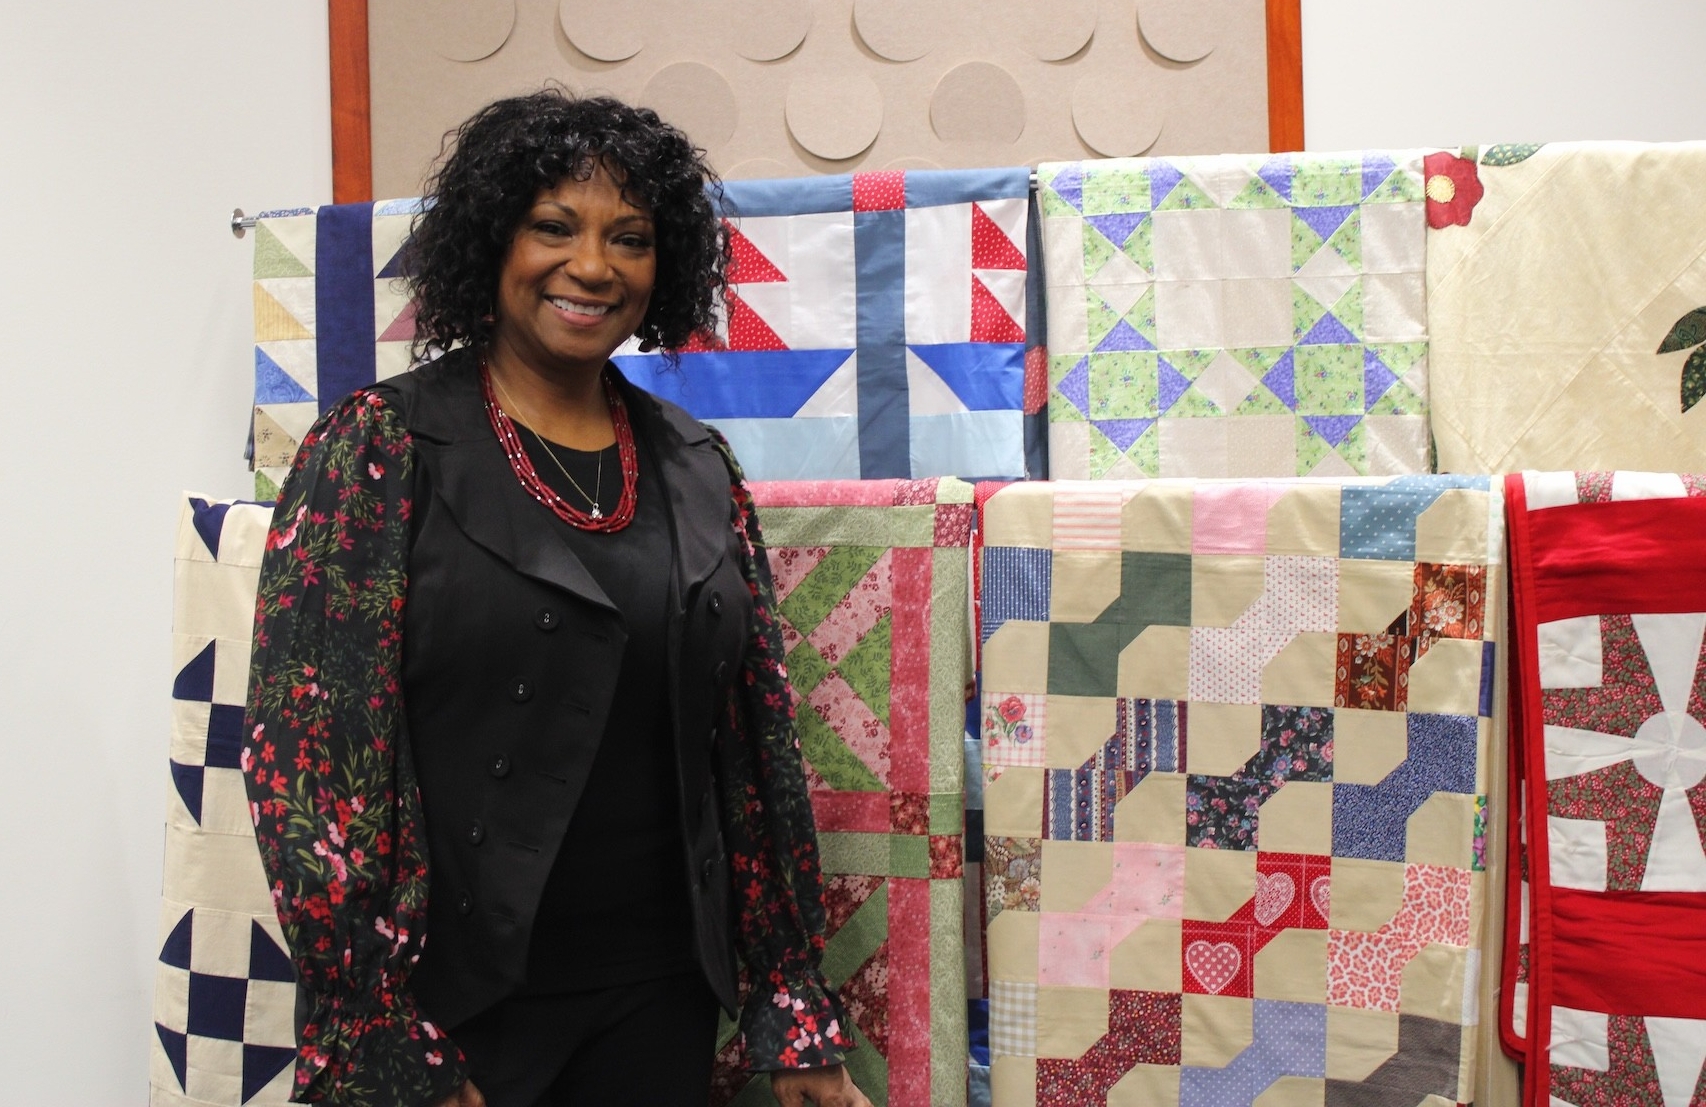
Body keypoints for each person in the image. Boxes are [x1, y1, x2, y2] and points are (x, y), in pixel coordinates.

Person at [242, 89, 872, 1107]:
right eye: (553, 227)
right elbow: (305, 766)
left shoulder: (695, 464)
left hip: (660, 1004)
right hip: (452, 1016)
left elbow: (754, 759)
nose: (592, 266)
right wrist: (390, 1043)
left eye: (629, 237)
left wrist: (789, 1009)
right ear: (491, 240)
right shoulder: (379, 449)